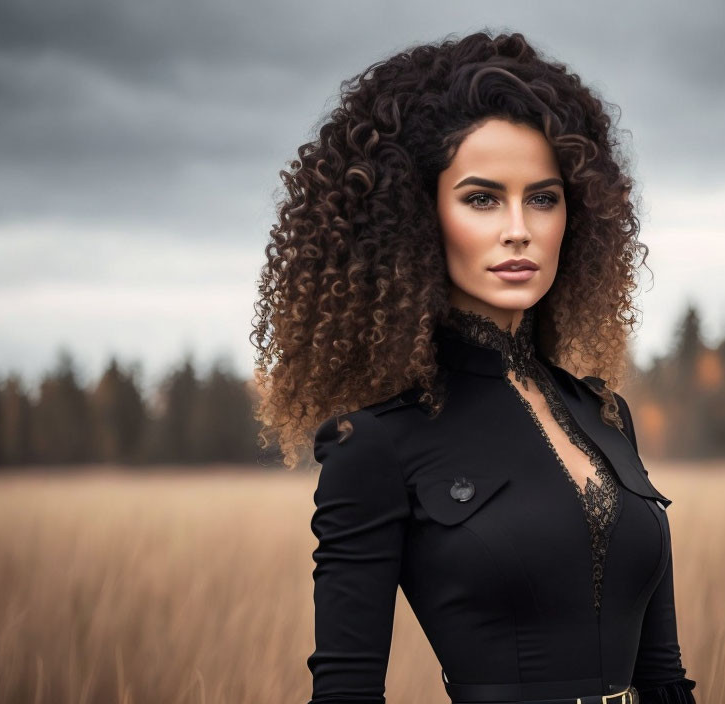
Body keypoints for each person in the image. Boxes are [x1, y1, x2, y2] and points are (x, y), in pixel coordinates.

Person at [251, 30, 697, 704]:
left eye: (543, 198)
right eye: (482, 199)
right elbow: (347, 692)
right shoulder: (375, 444)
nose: (518, 228)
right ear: (418, 217)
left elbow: (663, 677)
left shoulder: (605, 415)